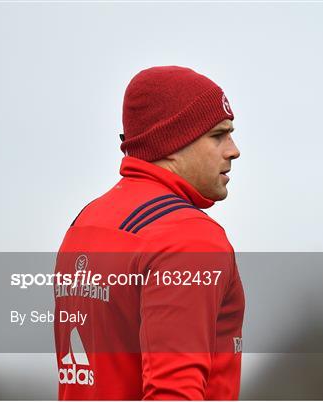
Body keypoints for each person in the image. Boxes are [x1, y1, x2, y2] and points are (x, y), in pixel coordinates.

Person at [53, 66, 245, 400]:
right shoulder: (189, 236)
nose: (233, 149)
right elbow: (173, 392)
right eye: (218, 135)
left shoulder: (84, 223)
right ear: (172, 142)